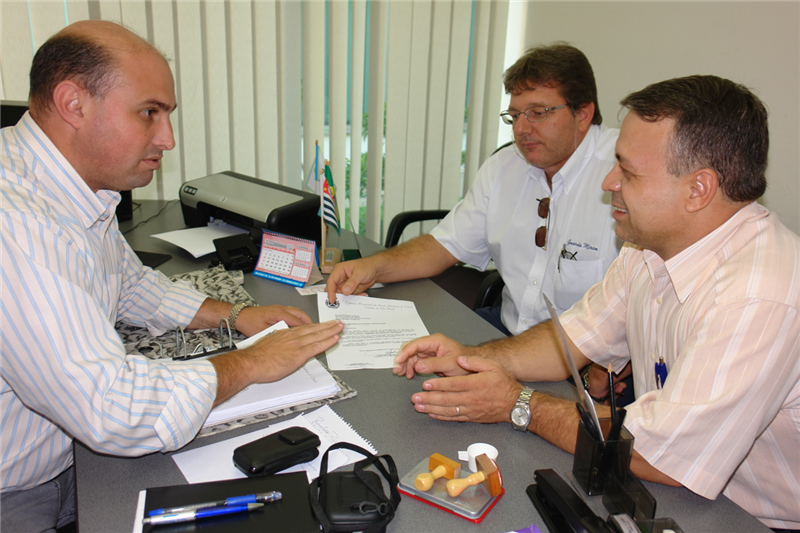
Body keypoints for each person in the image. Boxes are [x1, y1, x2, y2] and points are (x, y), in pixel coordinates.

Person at [393, 75, 800, 530]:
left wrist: (517, 403)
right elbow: (570, 338)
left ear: (698, 189)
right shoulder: (649, 247)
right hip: (682, 495)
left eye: (627, 171)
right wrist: (470, 357)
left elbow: (661, 456)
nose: (609, 182)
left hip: (754, 519)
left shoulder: (759, 294)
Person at [0, 21, 344, 533]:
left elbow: (132, 285)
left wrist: (238, 316)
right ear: (74, 104)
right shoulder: (19, 223)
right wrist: (248, 364)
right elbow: (110, 408)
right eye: (149, 113)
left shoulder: (73, 190)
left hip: (71, 458)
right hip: (17, 489)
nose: (168, 139)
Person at [326, 43, 622, 339]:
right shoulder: (505, 166)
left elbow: (647, 298)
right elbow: (443, 246)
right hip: (509, 329)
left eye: (537, 113)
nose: (521, 129)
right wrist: (374, 267)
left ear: (583, 114)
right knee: (412, 354)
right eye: (515, 115)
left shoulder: (624, 173)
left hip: (584, 357)